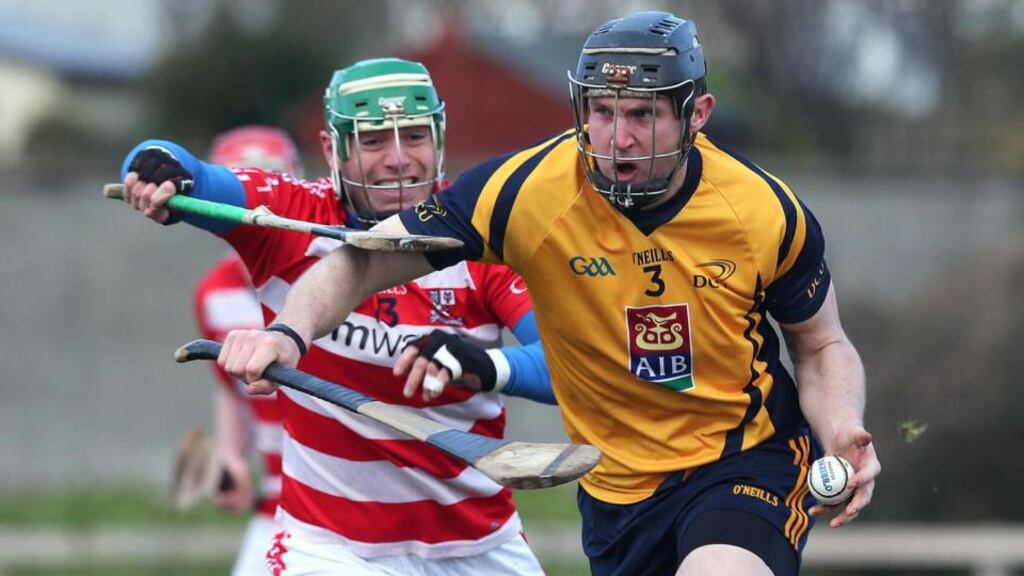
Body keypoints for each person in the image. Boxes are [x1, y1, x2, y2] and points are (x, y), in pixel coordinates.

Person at [177, 11, 883, 576]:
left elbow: (820, 344)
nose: (616, 138)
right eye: (601, 112)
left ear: (696, 114)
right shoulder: (525, 193)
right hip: (614, 489)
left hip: (742, 458)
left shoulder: (763, 211)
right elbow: (364, 262)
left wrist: (842, 427)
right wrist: (288, 335)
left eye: (642, 116)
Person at [121, 58, 554, 575]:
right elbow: (193, 174)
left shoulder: (481, 234)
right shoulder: (290, 216)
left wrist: (488, 365)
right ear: (333, 150)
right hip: (331, 549)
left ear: (440, 137)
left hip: (478, 545)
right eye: (373, 142)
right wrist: (158, 166)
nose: (399, 160)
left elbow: (565, 368)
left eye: (414, 136)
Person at [195, 125, 303, 575]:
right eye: (242, 187)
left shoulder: (326, 278)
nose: (259, 204)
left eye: (273, 183)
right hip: (273, 504)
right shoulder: (214, 293)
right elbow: (228, 387)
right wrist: (233, 458)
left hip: (342, 504)